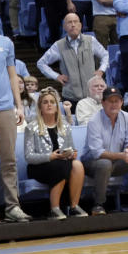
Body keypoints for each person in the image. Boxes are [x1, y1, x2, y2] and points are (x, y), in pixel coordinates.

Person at [23, 87, 88, 220]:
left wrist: (72, 154)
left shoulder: (65, 126)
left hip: (61, 163)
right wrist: (50, 156)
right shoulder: (31, 128)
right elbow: (29, 157)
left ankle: (74, 206)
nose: (49, 105)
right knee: (60, 166)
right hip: (39, 166)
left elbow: (72, 148)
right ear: (40, 107)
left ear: (57, 107)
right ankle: (54, 209)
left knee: (77, 165)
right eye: (45, 102)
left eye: (52, 102)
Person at [82, 86, 128, 214]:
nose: (114, 104)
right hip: (92, 162)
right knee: (105, 163)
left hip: (116, 161)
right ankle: (98, 205)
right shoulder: (94, 121)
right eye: (110, 101)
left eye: (117, 101)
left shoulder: (127, 117)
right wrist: (121, 156)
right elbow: (98, 153)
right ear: (103, 103)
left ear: (122, 102)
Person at [0, 30, 31, 222]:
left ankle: (12, 207)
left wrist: (19, 106)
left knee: (9, 162)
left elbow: (12, 76)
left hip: (6, 109)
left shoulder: (5, 42)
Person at [36, 13, 109, 103]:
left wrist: (101, 70)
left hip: (91, 96)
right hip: (70, 97)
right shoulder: (59, 45)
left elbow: (105, 55)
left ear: (80, 25)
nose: (73, 25)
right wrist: (56, 76)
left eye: (75, 22)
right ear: (64, 27)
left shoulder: (90, 40)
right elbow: (41, 63)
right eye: (69, 22)